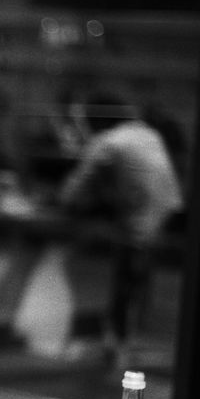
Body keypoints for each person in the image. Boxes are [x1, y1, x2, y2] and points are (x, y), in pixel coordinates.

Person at [59, 93, 183, 361]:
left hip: (140, 222)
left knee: (120, 280)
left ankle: (117, 344)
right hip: (170, 214)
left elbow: (74, 189)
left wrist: (65, 201)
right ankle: (122, 339)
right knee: (134, 281)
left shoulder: (109, 140)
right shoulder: (148, 133)